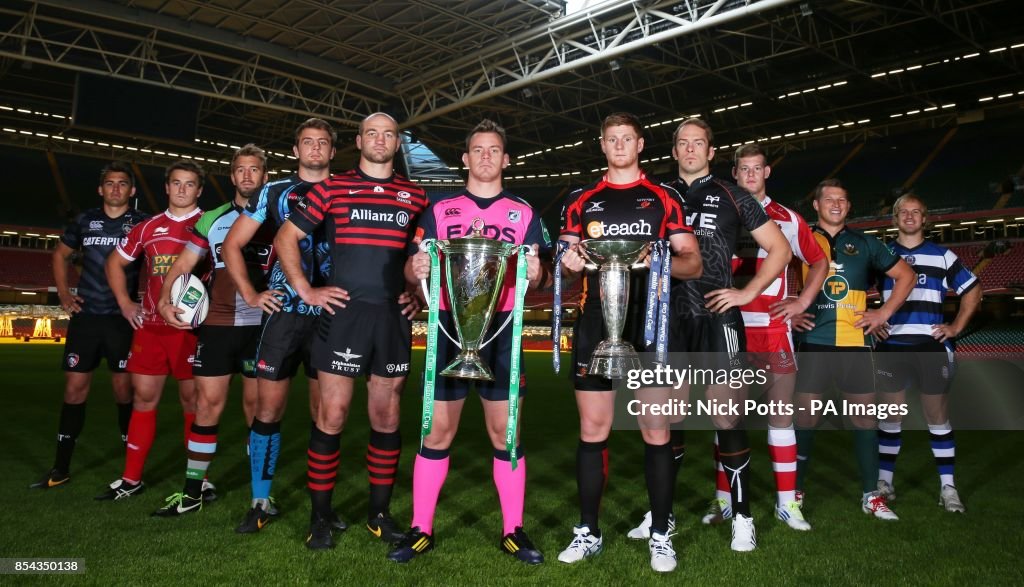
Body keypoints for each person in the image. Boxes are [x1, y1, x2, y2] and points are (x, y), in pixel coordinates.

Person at [388, 119, 551, 564]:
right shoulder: (440, 210)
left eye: (493, 150)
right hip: (448, 328)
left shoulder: (524, 213)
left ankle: (513, 530)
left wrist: (537, 275)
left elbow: (542, 275)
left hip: (501, 331)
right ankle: (421, 528)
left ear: (505, 159)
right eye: (477, 150)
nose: (485, 157)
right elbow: (411, 266)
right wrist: (414, 269)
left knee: (505, 432)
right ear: (465, 158)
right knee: (436, 430)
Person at [627, 123, 791, 553]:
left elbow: (780, 249)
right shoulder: (655, 196)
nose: (689, 149)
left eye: (698, 142)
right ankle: (660, 514)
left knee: (727, 417)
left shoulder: (733, 194)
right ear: (675, 150)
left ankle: (742, 518)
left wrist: (747, 292)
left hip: (717, 318)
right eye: (682, 142)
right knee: (668, 419)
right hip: (668, 320)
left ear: (711, 151)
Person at [275, 112, 428, 550]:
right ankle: (321, 516)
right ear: (359, 141)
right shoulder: (332, 188)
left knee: (386, 415)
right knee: (333, 414)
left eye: (389, 134)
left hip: (392, 316)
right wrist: (306, 289)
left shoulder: (416, 196)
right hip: (343, 314)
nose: (380, 140)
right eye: (372, 133)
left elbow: (421, 259)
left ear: (397, 143)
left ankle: (379, 514)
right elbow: (286, 238)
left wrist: (416, 293)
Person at [556, 112, 702, 573]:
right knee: (593, 430)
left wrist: (651, 264)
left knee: (655, 431)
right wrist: (569, 264)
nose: (619, 144)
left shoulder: (664, 197)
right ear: (603, 144)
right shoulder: (582, 200)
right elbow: (562, 265)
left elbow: (692, 265)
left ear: (640, 144)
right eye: (611, 139)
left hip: (652, 322)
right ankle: (588, 531)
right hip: (598, 320)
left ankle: (660, 534)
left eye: (627, 138)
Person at [684, 143, 827, 532]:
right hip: (727, 326)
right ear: (734, 174)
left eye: (756, 169)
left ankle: (787, 504)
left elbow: (819, 261)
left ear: (767, 173)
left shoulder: (787, 219)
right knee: (725, 419)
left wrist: (802, 302)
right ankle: (725, 500)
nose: (750, 175)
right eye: (743, 169)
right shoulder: (719, 210)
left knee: (780, 418)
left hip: (772, 331)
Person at [221, 119, 336, 533]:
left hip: (332, 313)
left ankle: (322, 506)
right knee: (268, 409)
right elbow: (230, 244)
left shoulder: (345, 189)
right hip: (284, 313)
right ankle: (259, 500)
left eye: (323, 143)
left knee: (327, 412)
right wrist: (252, 295)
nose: (316, 149)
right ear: (295, 150)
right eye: (308, 143)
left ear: (333, 152)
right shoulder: (272, 193)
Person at [151, 144, 272, 515]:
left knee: (259, 410)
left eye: (254, 170)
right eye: (240, 170)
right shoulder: (212, 219)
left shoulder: (279, 217)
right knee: (207, 407)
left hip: (261, 327)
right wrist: (162, 300)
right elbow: (184, 264)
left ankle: (260, 496)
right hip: (217, 324)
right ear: (232, 176)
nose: (247, 176)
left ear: (264, 176)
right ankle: (192, 494)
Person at [791, 178, 915, 521]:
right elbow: (774, 276)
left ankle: (871, 495)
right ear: (815, 205)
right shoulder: (800, 240)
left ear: (848, 207)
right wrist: (790, 311)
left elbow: (907, 276)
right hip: (813, 343)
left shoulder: (865, 243)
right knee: (805, 419)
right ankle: (793, 494)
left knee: (864, 420)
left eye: (842, 200)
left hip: (855, 344)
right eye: (828, 199)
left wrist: (884, 312)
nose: (835, 204)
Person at [31, 162, 148, 489]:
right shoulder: (85, 220)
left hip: (122, 320)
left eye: (122, 184)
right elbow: (59, 255)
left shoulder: (141, 223)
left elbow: (160, 259)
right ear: (101, 189)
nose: (115, 189)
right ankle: (60, 468)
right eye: (109, 183)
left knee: (124, 391)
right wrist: (65, 294)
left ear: (132, 191)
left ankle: (131, 474)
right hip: (86, 319)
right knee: (73, 390)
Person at [96, 160, 205, 500]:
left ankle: (196, 481)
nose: (182, 189)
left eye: (189, 184)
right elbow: (114, 262)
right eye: (176, 183)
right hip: (152, 328)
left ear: (198, 190)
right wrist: (126, 303)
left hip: (190, 328)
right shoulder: (148, 227)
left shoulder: (210, 224)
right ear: (167, 188)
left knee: (194, 402)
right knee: (143, 399)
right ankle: (131, 479)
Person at [874, 194, 981, 513]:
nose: (909, 216)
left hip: (930, 345)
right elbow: (852, 291)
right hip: (891, 345)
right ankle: (885, 483)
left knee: (937, 415)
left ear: (925, 218)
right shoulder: (881, 255)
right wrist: (873, 319)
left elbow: (973, 291)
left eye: (916, 212)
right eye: (903, 212)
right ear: (894, 218)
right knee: (890, 416)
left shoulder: (943, 256)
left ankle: (948, 487)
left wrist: (956, 327)